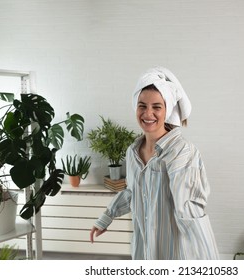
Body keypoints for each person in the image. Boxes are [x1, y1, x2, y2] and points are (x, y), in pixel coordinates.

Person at [90, 66, 219, 260]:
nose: (148, 113)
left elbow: (190, 210)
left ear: (167, 110)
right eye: (142, 105)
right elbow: (133, 193)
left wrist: (210, 262)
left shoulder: (181, 152)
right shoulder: (133, 152)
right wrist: (106, 217)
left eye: (156, 106)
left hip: (175, 253)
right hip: (144, 251)